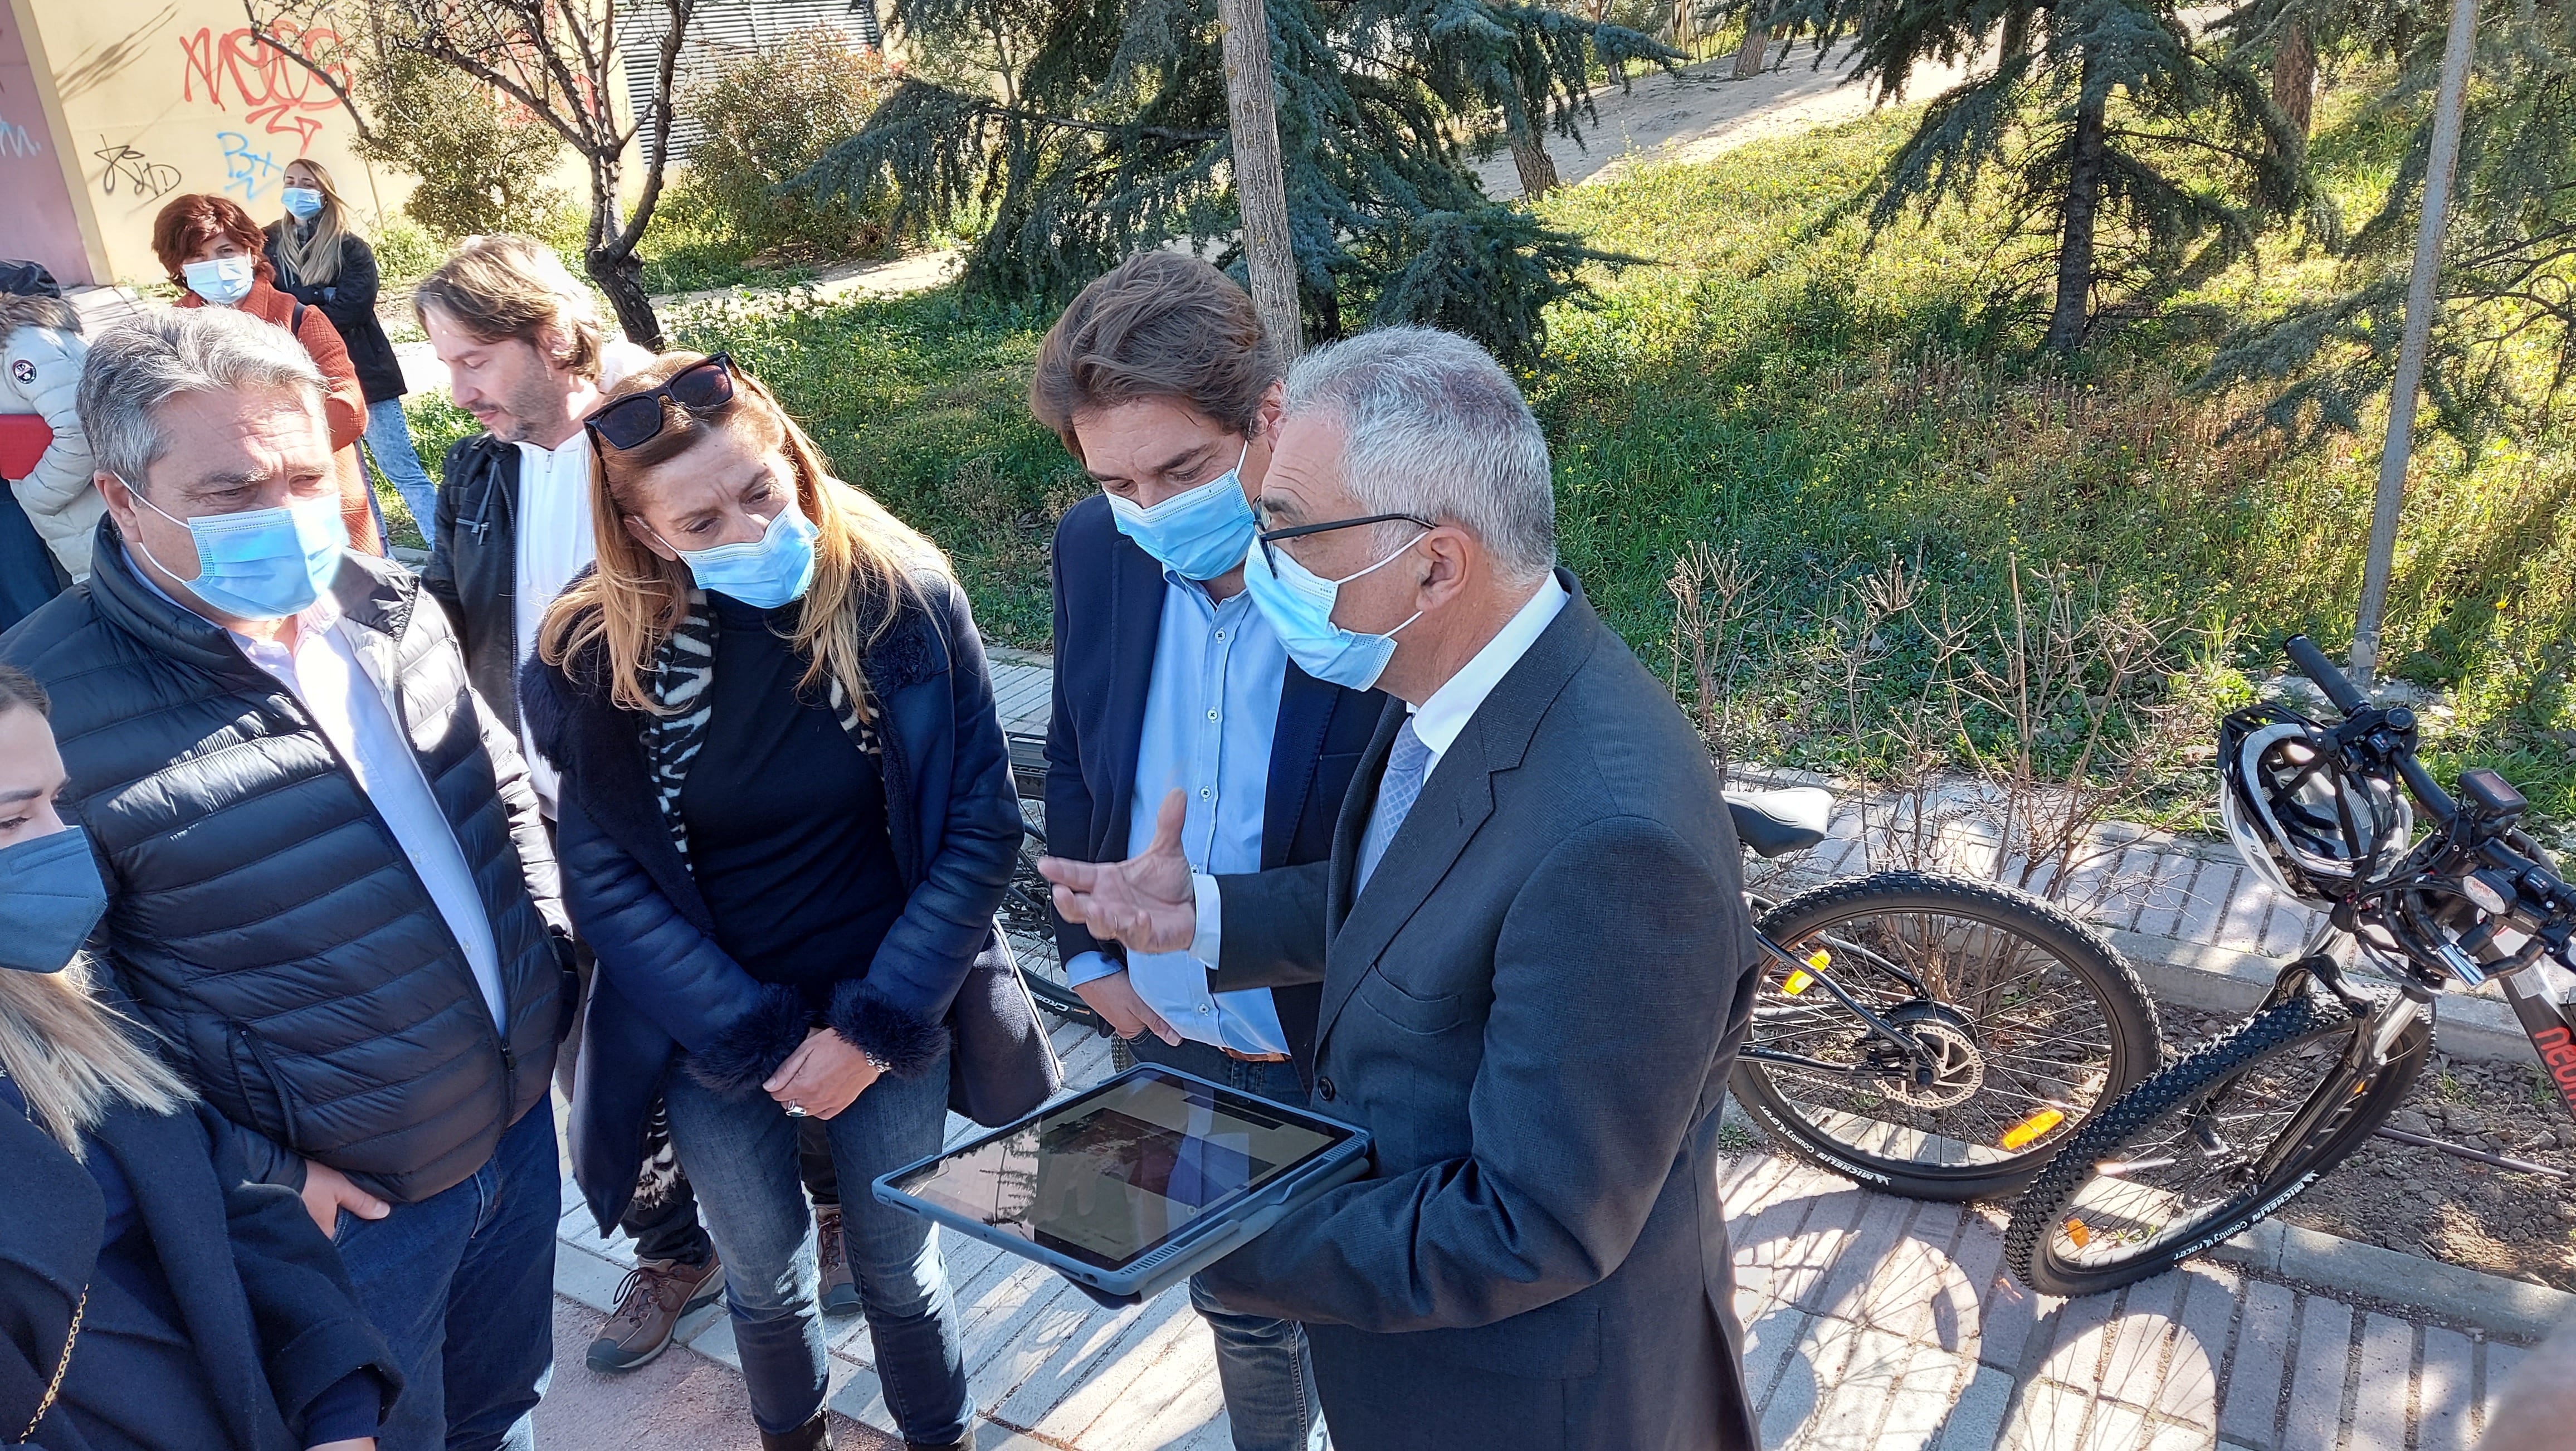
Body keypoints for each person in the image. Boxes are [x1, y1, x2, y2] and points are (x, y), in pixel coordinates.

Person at [1040, 327, 1764, 1450]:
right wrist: (1207, 915)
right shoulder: (1463, 689)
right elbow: (1404, 902)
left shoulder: (1614, 847)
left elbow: (1531, 1225)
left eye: (1283, 529)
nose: (1257, 557)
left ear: (1433, 564)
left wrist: (1195, 1224)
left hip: (1528, 1398)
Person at [0, 306, 570, 1451]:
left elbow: (495, 789)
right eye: (232, 491)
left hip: (513, 1131)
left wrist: (553, 965)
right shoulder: (45, 708)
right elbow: (67, 1008)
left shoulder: (382, 600)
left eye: (308, 476)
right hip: (337, 1211)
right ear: (121, 498)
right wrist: (263, 1173)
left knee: (501, 1404)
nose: (289, 517)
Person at [519, 351, 1048, 1451]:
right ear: (646, 533)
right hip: (712, 1032)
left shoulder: (897, 599)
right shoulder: (595, 654)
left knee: (900, 1268)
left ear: (796, 467)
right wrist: (754, 1039)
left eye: (762, 492)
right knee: (763, 1272)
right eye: (701, 520)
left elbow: (977, 826)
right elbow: (605, 883)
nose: (748, 530)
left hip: (892, 1000)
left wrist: (872, 1027)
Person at [414, 235, 804, 1371]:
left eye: (474, 357)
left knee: (756, 1024)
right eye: (445, 365)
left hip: (702, 825)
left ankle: (811, 1210)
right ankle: (672, 1247)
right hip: (544, 821)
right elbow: (448, 612)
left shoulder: (670, 429)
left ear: (551, 334)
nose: (460, 389)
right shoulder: (478, 469)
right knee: (597, 1051)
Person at [1028, 252, 1383, 1451]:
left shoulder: (1374, 562)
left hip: (1342, 1038)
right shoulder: (1096, 549)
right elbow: (1079, 755)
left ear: (1264, 416)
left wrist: (1226, 920)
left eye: (1181, 469)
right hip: (1174, 1030)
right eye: (1117, 481)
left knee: (1375, 1313)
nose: (1151, 510)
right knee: (1233, 1292)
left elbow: (1439, 849)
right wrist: (1091, 965)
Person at [0, 662, 401, 1451]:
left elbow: (221, 1203)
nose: (58, 843)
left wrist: (340, 1413)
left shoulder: (61, 992)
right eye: (9, 822)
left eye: (56, 801)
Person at [150, 194, 381, 555]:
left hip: (317, 507)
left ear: (250, 252)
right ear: (179, 267)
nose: (214, 264)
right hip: (229, 521)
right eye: (198, 256)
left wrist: (258, 456)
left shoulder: (298, 319)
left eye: (226, 251)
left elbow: (349, 409)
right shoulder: (168, 332)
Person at [264, 159, 438, 543]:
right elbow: (268, 300)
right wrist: (318, 296)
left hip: (367, 376)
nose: (296, 189)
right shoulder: (268, 243)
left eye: (306, 182)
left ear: (324, 190)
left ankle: (449, 553)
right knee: (350, 480)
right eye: (290, 181)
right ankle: (379, 557)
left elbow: (353, 307)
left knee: (402, 470)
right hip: (307, 382)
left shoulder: (351, 247)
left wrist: (299, 307)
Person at [1, 286, 91, 630]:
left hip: (82, 507)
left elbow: (79, 429)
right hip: (73, 515)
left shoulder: (24, 346)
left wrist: (38, 496)